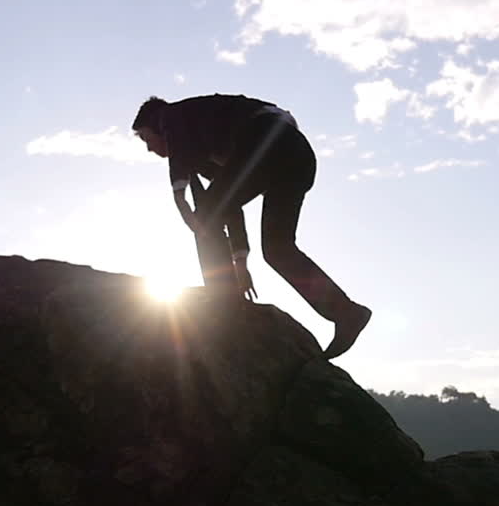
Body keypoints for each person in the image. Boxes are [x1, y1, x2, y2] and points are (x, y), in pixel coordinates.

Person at [132, 93, 371, 360]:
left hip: (269, 139)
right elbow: (227, 206)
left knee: (207, 214)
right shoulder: (202, 153)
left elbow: (206, 202)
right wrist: (240, 261)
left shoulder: (172, 114)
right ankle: (346, 312)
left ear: (156, 123)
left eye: (146, 138)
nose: (150, 149)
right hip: (295, 156)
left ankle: (224, 303)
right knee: (277, 249)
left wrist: (179, 196)